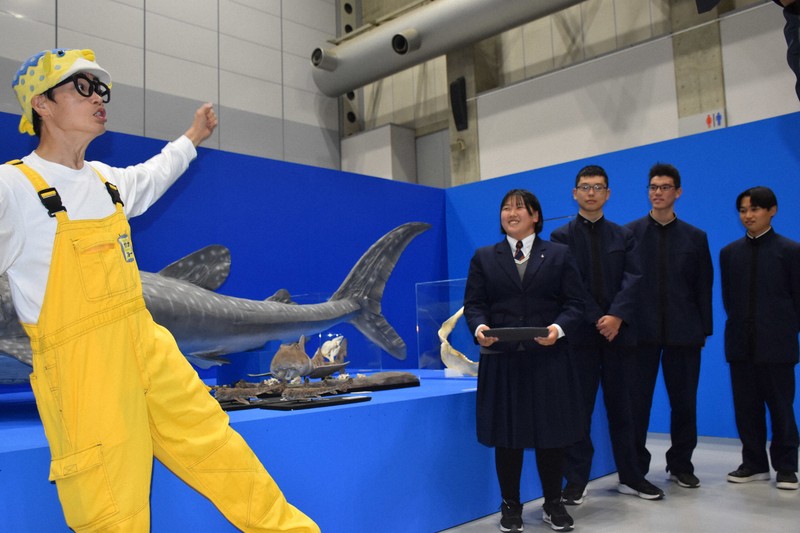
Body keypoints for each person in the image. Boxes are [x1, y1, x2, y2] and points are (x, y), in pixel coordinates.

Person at [0, 48, 319, 532]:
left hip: (150, 349)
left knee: (224, 454)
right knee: (111, 505)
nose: (99, 98)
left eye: (101, 89)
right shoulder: (14, 188)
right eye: (82, 87)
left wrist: (193, 136)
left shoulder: (108, 183)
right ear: (40, 105)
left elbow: (153, 176)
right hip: (85, 372)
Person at [463, 188, 585, 532]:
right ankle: (510, 505)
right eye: (505, 208)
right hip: (502, 360)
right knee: (507, 437)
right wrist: (480, 328)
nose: (511, 213)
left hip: (549, 359)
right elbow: (474, 305)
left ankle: (553, 504)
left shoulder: (559, 255)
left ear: (535, 216)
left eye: (519, 208)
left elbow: (576, 304)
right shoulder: (484, 257)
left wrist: (558, 330)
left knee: (552, 435)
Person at [551, 165, 664, 503]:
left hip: (621, 337)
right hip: (580, 339)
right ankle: (576, 481)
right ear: (574, 193)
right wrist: (597, 317)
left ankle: (631, 477)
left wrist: (615, 316)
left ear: (608, 194)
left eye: (598, 187)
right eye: (585, 187)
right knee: (578, 412)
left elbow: (634, 280)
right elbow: (569, 285)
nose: (591, 193)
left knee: (626, 410)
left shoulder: (624, 236)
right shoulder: (561, 238)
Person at [625, 163, 713, 489]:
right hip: (639, 334)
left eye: (665, 187)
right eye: (653, 187)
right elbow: (624, 287)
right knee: (637, 404)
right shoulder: (629, 234)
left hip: (684, 334)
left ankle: (681, 465)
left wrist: (703, 330)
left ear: (678, 192)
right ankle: (635, 466)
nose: (658, 192)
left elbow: (704, 286)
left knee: (684, 403)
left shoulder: (695, 237)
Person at [719, 186, 799, 490]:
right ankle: (753, 463)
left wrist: (782, 328)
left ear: (772, 210)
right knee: (746, 407)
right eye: (742, 210)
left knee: (781, 407)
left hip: (778, 344)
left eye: (754, 209)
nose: (748, 215)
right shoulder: (729, 253)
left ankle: (787, 467)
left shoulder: (791, 251)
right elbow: (728, 299)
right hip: (741, 343)